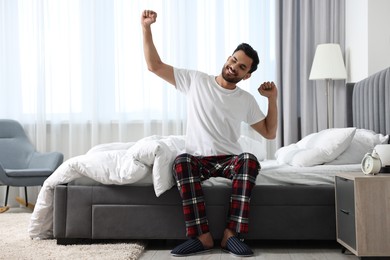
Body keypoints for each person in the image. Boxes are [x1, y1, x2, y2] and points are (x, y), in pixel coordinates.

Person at [141, 10, 278, 257]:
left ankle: (231, 235)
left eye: (241, 67)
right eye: (233, 60)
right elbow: (154, 66)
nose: (234, 66)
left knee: (249, 159)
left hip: (228, 161)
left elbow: (269, 132)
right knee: (181, 161)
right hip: (198, 160)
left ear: (247, 75)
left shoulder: (245, 100)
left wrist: (272, 99)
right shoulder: (196, 80)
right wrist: (146, 28)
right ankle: (201, 237)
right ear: (228, 57)